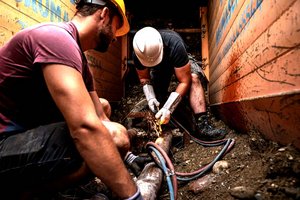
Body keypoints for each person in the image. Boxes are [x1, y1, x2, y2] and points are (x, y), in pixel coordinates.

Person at [0, 0, 143, 199]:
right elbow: (86, 128)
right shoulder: (56, 38)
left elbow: (101, 117)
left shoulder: (78, 58)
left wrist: (128, 156)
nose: (115, 40)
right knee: (107, 137)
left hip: (22, 135)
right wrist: (134, 196)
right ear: (104, 15)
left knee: (104, 107)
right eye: (116, 28)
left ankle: (57, 187)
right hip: (4, 143)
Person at [132, 26, 226, 141]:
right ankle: (161, 121)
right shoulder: (139, 53)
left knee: (193, 78)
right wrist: (151, 97)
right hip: (159, 68)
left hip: (180, 60)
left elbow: (184, 81)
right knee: (158, 95)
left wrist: (168, 108)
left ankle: (202, 125)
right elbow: (144, 79)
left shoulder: (175, 44)